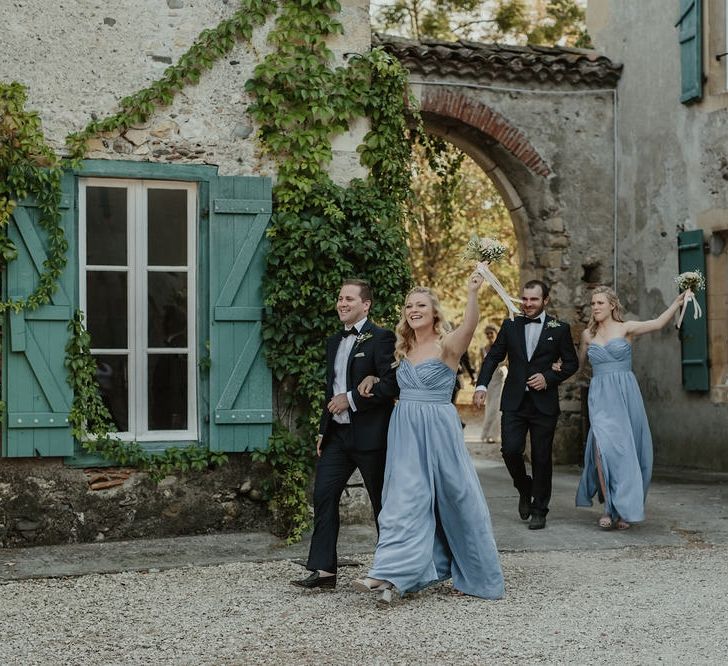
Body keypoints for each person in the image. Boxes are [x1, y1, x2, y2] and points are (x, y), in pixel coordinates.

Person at [351, 265, 504, 602]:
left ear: (434, 312)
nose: (413, 310)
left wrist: (473, 293)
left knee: (458, 499)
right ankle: (388, 575)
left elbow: (469, 326)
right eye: (409, 306)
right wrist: (375, 381)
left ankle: (474, 570)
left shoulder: (447, 345)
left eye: (421, 305)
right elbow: (393, 382)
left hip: (438, 429)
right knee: (402, 501)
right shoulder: (402, 348)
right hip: (405, 429)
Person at [291, 279, 398, 590]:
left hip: (371, 435)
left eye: (349, 299)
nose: (342, 303)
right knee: (323, 494)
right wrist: (324, 428)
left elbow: (391, 384)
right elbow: (331, 390)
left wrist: (352, 398)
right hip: (337, 435)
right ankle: (324, 572)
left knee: (382, 503)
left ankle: (389, 570)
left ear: (366, 305)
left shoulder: (382, 338)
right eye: (339, 298)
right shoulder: (333, 341)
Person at [575, 285, 685, 530]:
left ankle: (625, 509)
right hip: (600, 397)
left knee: (626, 452)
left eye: (600, 303)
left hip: (625, 395)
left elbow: (657, 323)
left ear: (612, 305)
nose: (595, 308)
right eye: (593, 304)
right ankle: (608, 508)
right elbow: (579, 366)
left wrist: (677, 303)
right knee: (601, 451)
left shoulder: (626, 328)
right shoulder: (587, 336)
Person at [473, 280, 578, 530]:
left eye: (533, 299)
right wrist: (481, 385)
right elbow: (494, 357)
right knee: (509, 451)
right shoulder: (510, 325)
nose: (528, 304)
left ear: (545, 301)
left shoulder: (560, 328)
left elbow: (571, 363)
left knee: (541, 457)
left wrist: (549, 378)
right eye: (525, 299)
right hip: (514, 402)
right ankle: (524, 487)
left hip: (544, 404)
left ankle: (540, 509)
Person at [479, 324, 507, 443]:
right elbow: (482, 367)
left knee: (497, 408)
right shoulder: (483, 349)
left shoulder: (504, 348)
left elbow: (509, 362)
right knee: (489, 407)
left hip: (500, 378)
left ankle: (494, 435)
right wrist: (480, 383)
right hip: (489, 381)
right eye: (487, 334)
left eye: (492, 333)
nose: (490, 336)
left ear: (496, 334)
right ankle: (486, 434)